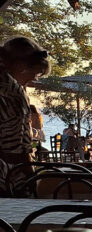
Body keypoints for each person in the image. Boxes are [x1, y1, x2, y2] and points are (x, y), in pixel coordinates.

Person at [0, 36, 49, 193]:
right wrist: (31, 177)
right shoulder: (13, 94)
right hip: (8, 176)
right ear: (22, 66)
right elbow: (21, 147)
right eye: (37, 73)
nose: (34, 79)